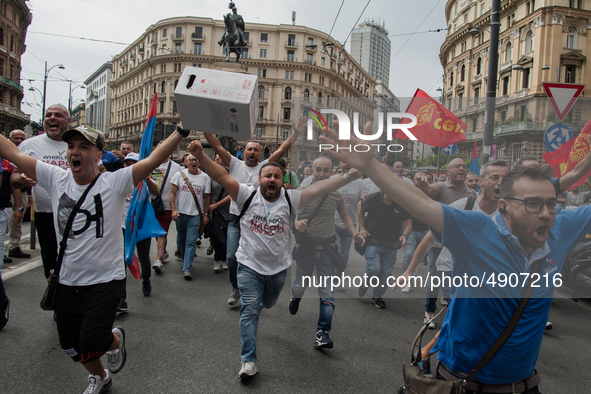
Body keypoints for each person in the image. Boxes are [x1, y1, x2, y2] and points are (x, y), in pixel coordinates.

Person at [320, 123, 591, 392]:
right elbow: (422, 204)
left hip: (524, 386)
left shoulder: (561, 227)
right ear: (504, 207)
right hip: (462, 382)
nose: (545, 214)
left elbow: (577, 179)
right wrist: (372, 166)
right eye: (532, 204)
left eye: (551, 204)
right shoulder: (478, 229)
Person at [0, 123, 190, 393]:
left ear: (99, 155)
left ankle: (112, 341)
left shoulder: (115, 181)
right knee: (70, 345)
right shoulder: (55, 177)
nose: (75, 152)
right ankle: (100, 376)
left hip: (105, 280)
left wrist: (181, 131)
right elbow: (11, 152)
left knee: (90, 340)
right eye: (71, 146)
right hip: (67, 279)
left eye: (84, 146)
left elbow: (154, 159)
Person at [189, 139, 361, 378]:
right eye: (267, 175)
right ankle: (248, 360)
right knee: (249, 309)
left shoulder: (292, 199)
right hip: (248, 265)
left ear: (283, 181)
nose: (271, 180)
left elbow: (319, 189)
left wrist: (346, 179)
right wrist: (202, 156)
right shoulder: (245, 194)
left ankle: (261, 305)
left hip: (278, 270)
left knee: (267, 304)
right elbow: (222, 176)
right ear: (259, 179)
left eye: (276, 177)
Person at [204, 115, 306, 305]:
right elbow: (217, 146)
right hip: (236, 218)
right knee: (231, 257)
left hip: (258, 220)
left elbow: (283, 148)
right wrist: (203, 127)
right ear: (243, 152)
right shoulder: (233, 163)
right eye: (249, 149)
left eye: (256, 150)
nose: (252, 152)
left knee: (258, 258)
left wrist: (296, 133)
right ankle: (236, 288)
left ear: (261, 154)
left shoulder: (265, 167)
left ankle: (257, 289)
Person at [289, 156, 363, 348]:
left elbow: (345, 215)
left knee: (327, 293)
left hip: (328, 251)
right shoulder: (301, 192)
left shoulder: (336, 195)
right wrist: (296, 223)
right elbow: (288, 214)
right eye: (318, 170)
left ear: (332, 172)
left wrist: (354, 233)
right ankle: (295, 297)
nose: (322, 174)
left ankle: (323, 332)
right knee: (299, 286)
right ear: (312, 171)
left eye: (326, 170)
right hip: (306, 249)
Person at [11, 105, 72, 279]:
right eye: (48, 115)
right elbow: (14, 179)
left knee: (74, 262)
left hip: (76, 214)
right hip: (45, 215)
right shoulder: (29, 145)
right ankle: (56, 299)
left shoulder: (78, 143)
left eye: (58, 115)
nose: (52, 118)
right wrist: (21, 180)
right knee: (51, 265)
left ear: (68, 121)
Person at [415, 157, 477, 327]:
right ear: (448, 171)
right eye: (456, 166)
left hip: (460, 246)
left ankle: (455, 314)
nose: (461, 169)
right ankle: (429, 312)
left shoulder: (472, 194)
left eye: (463, 166)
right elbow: (429, 190)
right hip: (438, 243)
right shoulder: (442, 187)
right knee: (435, 277)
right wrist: (423, 186)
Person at [357, 188, 411, 309]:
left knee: (385, 273)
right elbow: (360, 208)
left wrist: (404, 235)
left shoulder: (401, 202)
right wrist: (362, 228)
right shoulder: (374, 198)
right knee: (374, 268)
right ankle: (365, 282)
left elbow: (408, 223)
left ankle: (377, 296)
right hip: (373, 242)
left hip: (391, 245)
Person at [169, 154, 211, 280]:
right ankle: (184, 258)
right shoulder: (179, 175)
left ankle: (187, 268)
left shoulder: (205, 178)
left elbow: (207, 197)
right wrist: (173, 210)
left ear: (199, 163)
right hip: (180, 214)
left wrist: (206, 215)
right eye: (191, 160)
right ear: (186, 162)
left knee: (191, 241)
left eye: (196, 160)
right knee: (182, 240)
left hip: (195, 215)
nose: (194, 162)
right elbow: (172, 194)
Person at [150, 142, 182, 273]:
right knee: (155, 232)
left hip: (166, 205)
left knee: (162, 231)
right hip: (150, 204)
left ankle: (158, 259)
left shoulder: (176, 168)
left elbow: (180, 188)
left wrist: (176, 207)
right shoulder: (150, 163)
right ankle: (163, 252)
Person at [7, 129, 31, 259]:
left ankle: (14, 246)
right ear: (10, 139)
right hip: (7, 193)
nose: (19, 141)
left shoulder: (25, 154)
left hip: (21, 193)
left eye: (22, 139)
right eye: (16, 138)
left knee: (17, 221)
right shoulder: (5, 155)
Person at [207, 154, 231, 272]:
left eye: (222, 158)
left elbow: (233, 194)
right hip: (216, 211)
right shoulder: (211, 175)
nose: (220, 161)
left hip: (229, 210)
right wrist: (207, 212)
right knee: (217, 236)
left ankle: (225, 258)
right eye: (217, 159)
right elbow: (207, 193)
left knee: (227, 237)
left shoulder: (232, 174)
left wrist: (218, 204)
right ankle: (217, 259)